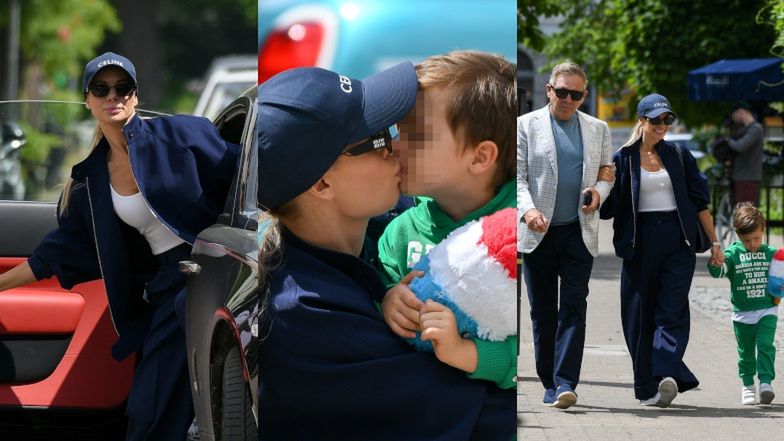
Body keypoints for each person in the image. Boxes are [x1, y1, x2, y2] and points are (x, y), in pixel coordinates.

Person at [256, 63, 515, 441]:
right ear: (323, 182)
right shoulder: (306, 316)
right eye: (377, 138)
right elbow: (483, 415)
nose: (394, 145)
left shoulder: (362, 248)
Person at [0, 52, 239, 440]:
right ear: (88, 100)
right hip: (169, 285)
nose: (113, 96)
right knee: (147, 407)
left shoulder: (181, 135)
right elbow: (56, 253)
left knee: (171, 406)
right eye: (101, 88)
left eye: (122, 88)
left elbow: (244, 174)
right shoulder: (91, 179)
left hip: (217, 266)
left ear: (135, 97)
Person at [376, 51, 517, 389]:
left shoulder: (521, 230)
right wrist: (386, 300)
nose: (395, 146)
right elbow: (375, 300)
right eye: (398, 131)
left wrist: (467, 351)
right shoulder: (400, 231)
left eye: (416, 135)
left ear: (480, 156)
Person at [600, 93, 723, 407]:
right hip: (638, 243)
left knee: (672, 310)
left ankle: (666, 372)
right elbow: (607, 211)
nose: (662, 125)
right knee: (638, 318)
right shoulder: (622, 158)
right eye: (655, 120)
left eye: (667, 119)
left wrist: (715, 243)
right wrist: (605, 184)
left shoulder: (679, 155)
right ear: (641, 120)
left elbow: (699, 203)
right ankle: (648, 386)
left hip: (676, 241)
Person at [517, 61, 615, 409]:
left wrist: (599, 193)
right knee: (542, 311)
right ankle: (547, 380)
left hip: (579, 232)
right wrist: (528, 211)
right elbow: (517, 178)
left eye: (576, 94)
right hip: (538, 233)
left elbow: (607, 172)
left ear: (584, 96)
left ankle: (565, 382)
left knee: (574, 307)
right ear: (549, 90)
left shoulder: (597, 128)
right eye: (562, 92)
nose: (568, 99)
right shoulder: (525, 126)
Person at [707, 203, 778, 405]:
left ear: (763, 231)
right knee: (745, 353)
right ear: (738, 236)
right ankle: (747, 385)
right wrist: (716, 263)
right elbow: (719, 271)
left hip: (767, 310)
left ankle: (765, 383)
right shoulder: (733, 254)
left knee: (765, 345)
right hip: (742, 314)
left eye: (756, 238)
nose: (753, 243)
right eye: (747, 240)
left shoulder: (771, 254)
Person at [724, 101, 764, 205]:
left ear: (740, 112)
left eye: (734, 115)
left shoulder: (755, 128)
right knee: (742, 212)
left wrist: (727, 140)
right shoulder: (744, 129)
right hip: (742, 177)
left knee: (746, 214)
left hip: (748, 178)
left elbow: (740, 146)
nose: (733, 118)